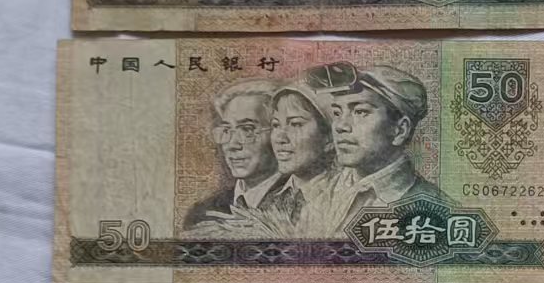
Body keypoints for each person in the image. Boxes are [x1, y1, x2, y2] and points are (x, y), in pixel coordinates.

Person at [300, 61, 450, 232]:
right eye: (337, 113)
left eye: (360, 112)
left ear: (400, 130)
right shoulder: (319, 197)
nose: (340, 126)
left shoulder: (437, 212)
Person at [184, 81, 284, 230]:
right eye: (226, 130)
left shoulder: (301, 205)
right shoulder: (202, 213)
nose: (232, 145)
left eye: (247, 129)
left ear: (277, 133)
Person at [264, 81, 337, 227]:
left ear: (329, 137)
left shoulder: (344, 199)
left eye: (296, 124)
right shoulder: (268, 202)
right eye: (275, 125)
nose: (280, 138)